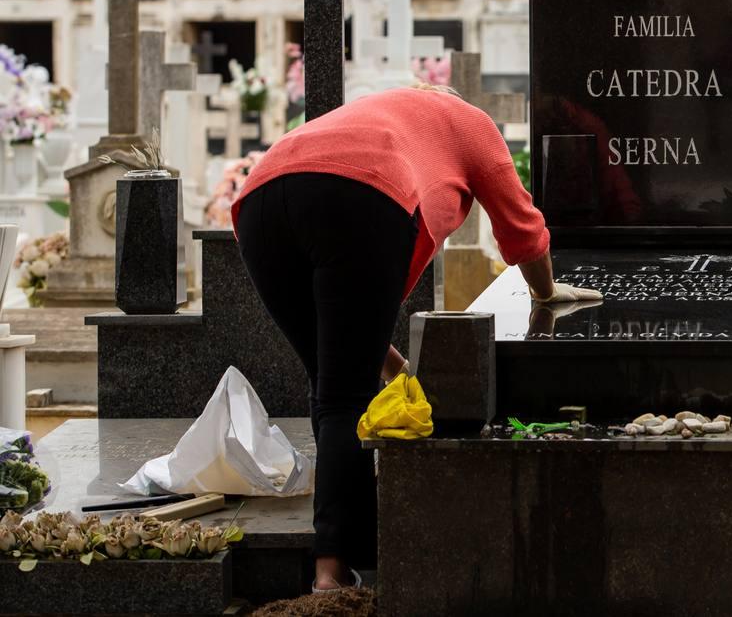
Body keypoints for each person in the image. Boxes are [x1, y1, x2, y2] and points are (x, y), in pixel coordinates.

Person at [231, 85, 600, 591]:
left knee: (331, 382)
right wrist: (546, 293)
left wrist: (400, 372)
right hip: (362, 193)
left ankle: (348, 556)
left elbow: (348, 328)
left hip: (260, 199)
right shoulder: (469, 120)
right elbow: (521, 227)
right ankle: (330, 579)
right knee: (342, 397)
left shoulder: (386, 110)